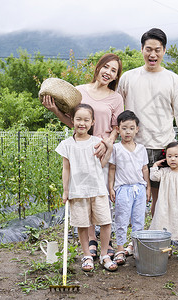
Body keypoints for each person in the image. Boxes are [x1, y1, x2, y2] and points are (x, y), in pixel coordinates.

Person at [42, 53, 124, 260]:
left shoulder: (116, 98)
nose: (108, 72)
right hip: (82, 151)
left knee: (101, 196)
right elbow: (74, 122)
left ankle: (107, 242)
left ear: (116, 77)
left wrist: (107, 143)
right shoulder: (79, 91)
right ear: (98, 68)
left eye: (113, 70)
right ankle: (92, 241)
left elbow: (116, 128)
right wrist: (55, 111)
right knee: (85, 194)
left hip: (102, 152)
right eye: (106, 67)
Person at [117, 28, 178, 217]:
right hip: (134, 148)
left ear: (164, 51)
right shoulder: (128, 78)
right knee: (133, 197)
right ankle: (134, 241)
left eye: (157, 49)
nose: (152, 54)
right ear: (141, 49)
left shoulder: (173, 80)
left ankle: (156, 239)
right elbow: (114, 108)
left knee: (160, 199)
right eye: (148, 49)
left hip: (164, 149)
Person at [55, 104, 118, 272]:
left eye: (86, 120)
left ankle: (104, 254)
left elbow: (102, 164)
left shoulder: (98, 142)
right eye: (78, 119)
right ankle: (87, 256)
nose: (81, 123)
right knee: (82, 225)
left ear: (92, 122)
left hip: (97, 189)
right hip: (78, 191)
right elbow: (66, 168)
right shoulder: (67, 144)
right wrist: (66, 190)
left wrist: (109, 148)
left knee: (105, 222)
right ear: (72, 120)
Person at [108, 110, 150, 265]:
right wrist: (111, 188)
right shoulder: (116, 148)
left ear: (137, 129)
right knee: (121, 219)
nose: (128, 131)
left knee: (139, 219)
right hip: (123, 189)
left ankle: (135, 247)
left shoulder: (141, 149)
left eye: (131, 128)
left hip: (139, 188)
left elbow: (145, 169)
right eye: (124, 128)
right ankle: (120, 249)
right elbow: (112, 169)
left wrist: (148, 188)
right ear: (118, 129)